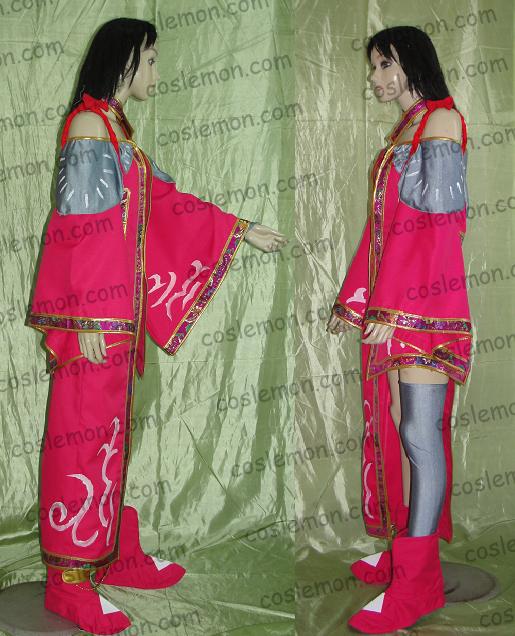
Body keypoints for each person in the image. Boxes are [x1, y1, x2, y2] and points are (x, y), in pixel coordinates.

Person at [26, 18, 288, 635]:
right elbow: (79, 227)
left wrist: (236, 228)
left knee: (111, 436)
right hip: (95, 320)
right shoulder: (90, 128)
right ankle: (69, 582)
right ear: (126, 60)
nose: (156, 71)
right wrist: (84, 315)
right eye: (151, 59)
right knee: (81, 437)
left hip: (120, 320)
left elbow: (163, 204)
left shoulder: (116, 131)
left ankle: (113, 553)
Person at [326, 26, 472, 633]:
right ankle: (407, 549)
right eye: (374, 68)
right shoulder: (407, 130)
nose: (376, 78)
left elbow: (435, 228)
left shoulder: (441, 122)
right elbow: (383, 228)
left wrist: (391, 307)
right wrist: (357, 297)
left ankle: (418, 582)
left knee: (418, 431)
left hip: (428, 303)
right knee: (401, 425)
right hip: (399, 302)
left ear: (413, 64)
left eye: (385, 66)